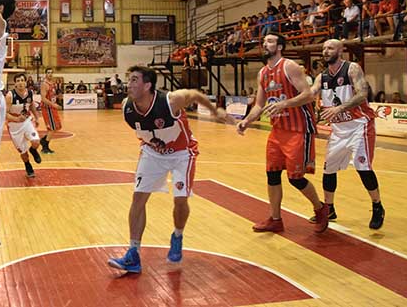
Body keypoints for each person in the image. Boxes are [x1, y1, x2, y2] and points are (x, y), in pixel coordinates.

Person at [107, 65, 234, 273]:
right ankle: (133, 253)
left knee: (180, 200)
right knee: (138, 198)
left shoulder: (170, 100)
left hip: (182, 154)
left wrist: (215, 111)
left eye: (134, 80)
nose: (128, 84)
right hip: (152, 153)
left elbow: (194, 94)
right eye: (129, 80)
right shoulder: (126, 106)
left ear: (147, 85)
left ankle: (177, 234)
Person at [236, 33, 330, 234]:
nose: (264, 44)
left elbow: (308, 95)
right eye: (264, 41)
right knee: (272, 174)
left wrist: (284, 103)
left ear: (280, 46)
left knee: (295, 178)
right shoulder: (262, 73)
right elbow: (259, 104)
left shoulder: (290, 67)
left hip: (298, 129)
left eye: (269, 41)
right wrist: (246, 120)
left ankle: (321, 209)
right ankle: (276, 219)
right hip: (277, 130)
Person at [298, 40, 384, 229]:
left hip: (360, 126)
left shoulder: (352, 68)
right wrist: (289, 99)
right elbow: (310, 93)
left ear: (341, 50)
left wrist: (339, 108)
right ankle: (329, 208)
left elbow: (362, 93)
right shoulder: (322, 77)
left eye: (330, 48)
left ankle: (377, 206)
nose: (325, 51)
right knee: (329, 170)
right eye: (323, 49)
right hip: (339, 131)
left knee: (363, 167)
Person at [5, 73, 43, 178]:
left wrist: (36, 117)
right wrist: (16, 118)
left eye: (22, 80)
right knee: (23, 152)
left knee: (36, 141)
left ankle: (33, 150)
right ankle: (27, 165)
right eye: (18, 81)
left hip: (26, 121)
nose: (20, 83)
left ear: (25, 82)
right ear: (15, 84)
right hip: (14, 125)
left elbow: (31, 106)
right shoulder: (10, 95)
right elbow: (4, 114)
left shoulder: (30, 93)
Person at [40, 68, 62, 154]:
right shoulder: (44, 84)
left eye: (51, 73)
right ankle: (45, 146)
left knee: (57, 126)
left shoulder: (52, 83)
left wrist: (58, 98)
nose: (50, 74)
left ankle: (43, 140)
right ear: (45, 74)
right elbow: (43, 98)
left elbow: (51, 96)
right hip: (47, 108)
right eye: (48, 73)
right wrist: (54, 105)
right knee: (52, 128)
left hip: (52, 107)